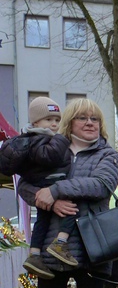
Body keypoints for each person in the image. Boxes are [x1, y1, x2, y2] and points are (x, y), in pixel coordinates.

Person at [18, 99, 118, 288]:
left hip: (90, 246)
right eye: (82, 118)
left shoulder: (107, 154)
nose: (90, 123)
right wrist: (44, 196)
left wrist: (56, 190)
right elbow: (25, 183)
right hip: (51, 247)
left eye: (95, 119)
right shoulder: (50, 150)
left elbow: (101, 185)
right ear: (70, 122)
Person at [0, 97, 78, 278]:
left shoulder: (32, 138)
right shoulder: (40, 138)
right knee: (71, 209)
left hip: (43, 182)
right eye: (49, 120)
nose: (54, 124)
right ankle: (61, 242)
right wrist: (61, 139)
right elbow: (48, 156)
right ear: (36, 122)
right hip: (49, 182)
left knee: (42, 221)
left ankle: (35, 254)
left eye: (57, 120)